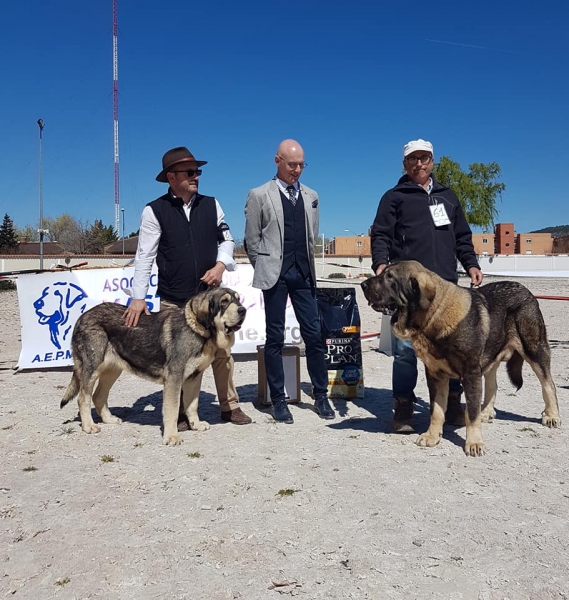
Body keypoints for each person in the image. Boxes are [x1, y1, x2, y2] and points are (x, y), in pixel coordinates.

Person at [123, 146, 252, 427]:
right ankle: (181, 414)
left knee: (222, 353)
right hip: (174, 300)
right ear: (171, 177)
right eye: (190, 172)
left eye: (198, 172)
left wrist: (220, 266)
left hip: (213, 301)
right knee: (179, 358)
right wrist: (138, 297)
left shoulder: (212, 204)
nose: (196, 177)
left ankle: (229, 407)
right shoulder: (154, 211)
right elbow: (144, 256)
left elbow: (227, 241)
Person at [370, 139, 483, 433]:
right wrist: (381, 264)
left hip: (446, 291)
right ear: (405, 164)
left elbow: (461, 236)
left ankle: (454, 402)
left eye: (424, 158)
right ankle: (404, 406)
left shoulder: (448, 196)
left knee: (453, 348)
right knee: (406, 351)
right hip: (407, 293)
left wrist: (471, 263)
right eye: (412, 159)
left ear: (433, 160)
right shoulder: (394, 197)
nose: (418, 164)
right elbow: (380, 234)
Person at [244, 139, 335, 424]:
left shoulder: (311, 196)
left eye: (301, 165)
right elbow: (251, 238)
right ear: (277, 161)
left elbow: (312, 235)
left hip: (304, 275)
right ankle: (278, 399)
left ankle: (321, 396)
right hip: (275, 276)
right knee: (275, 338)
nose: (297, 170)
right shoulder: (259, 194)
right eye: (292, 164)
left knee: (314, 335)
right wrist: (264, 266)